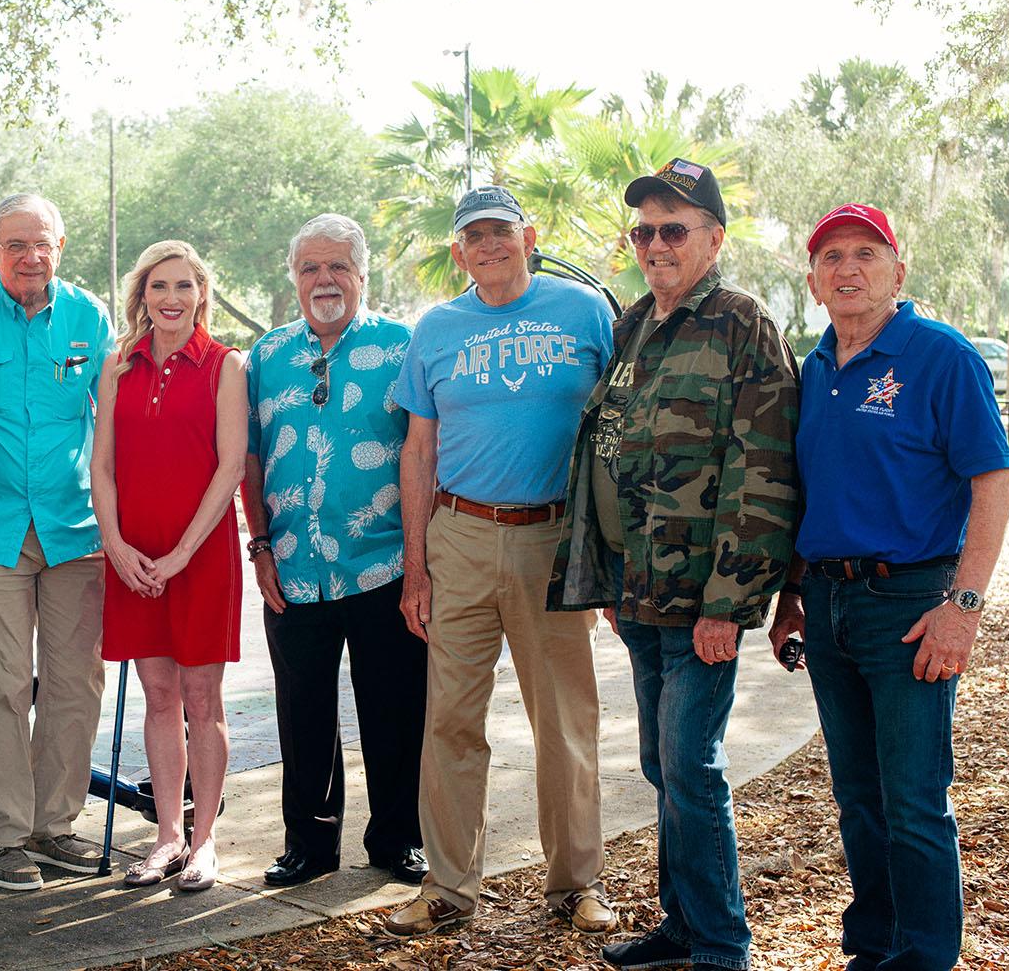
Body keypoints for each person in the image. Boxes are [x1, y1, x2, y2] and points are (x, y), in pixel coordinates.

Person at [548, 159, 800, 971]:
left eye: (675, 229)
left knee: (691, 763)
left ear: (713, 239)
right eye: (645, 230)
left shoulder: (741, 323)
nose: (656, 243)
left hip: (702, 599)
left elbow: (761, 469)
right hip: (637, 587)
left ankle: (724, 945)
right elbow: (609, 451)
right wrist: (605, 578)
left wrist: (728, 604)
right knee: (663, 762)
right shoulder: (631, 327)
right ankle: (683, 926)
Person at [766, 203, 1009, 971]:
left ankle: (927, 957)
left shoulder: (941, 356)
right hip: (831, 607)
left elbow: (995, 482)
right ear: (813, 281)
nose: (848, 268)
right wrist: (792, 597)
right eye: (832, 256)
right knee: (861, 803)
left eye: (866, 253)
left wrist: (963, 609)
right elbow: (811, 491)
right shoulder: (812, 368)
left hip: (912, 604)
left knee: (913, 804)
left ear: (898, 271)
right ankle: (871, 950)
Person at [385, 186, 619, 938]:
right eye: (474, 238)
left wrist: (614, 556)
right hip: (460, 532)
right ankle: (448, 886)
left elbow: (622, 426)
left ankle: (576, 885)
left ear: (529, 236)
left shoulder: (584, 313)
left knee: (564, 720)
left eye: (501, 233)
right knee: (451, 719)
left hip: (554, 540)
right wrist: (416, 567)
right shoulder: (438, 330)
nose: (489, 247)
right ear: (459, 252)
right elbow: (417, 450)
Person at [0, 193, 114, 890]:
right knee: (3, 681)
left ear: (60, 246)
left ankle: (53, 826)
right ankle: (2, 836)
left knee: (75, 682)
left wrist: (121, 523)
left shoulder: (88, 316)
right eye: (16, 246)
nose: (31, 257)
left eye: (43, 245)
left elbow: (112, 422)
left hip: (75, 530)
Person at [240, 213, 426, 889]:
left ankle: (399, 839)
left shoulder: (404, 347)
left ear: (361, 275)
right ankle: (309, 847)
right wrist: (259, 546)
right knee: (303, 712)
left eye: (337, 266)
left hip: (384, 566)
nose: (324, 279)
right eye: (309, 268)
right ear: (294, 279)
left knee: (395, 710)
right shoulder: (265, 356)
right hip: (292, 570)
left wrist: (421, 563)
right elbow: (251, 461)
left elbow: (422, 452)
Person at [92, 240, 247, 893]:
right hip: (133, 560)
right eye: (160, 287)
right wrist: (117, 546)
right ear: (142, 296)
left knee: (200, 698)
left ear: (202, 295)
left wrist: (182, 553)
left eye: (185, 286)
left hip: (199, 555)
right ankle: (166, 838)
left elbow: (231, 465)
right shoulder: (117, 366)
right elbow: (100, 465)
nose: (172, 299)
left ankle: (205, 841)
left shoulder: (226, 366)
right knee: (158, 697)